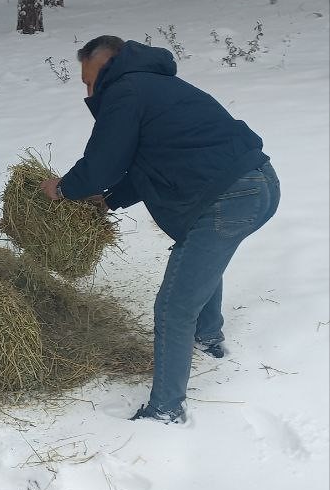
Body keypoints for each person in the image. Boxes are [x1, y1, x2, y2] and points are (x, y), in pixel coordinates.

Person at [40, 37, 280, 423]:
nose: (89, 91)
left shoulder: (126, 90)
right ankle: (208, 336)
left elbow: (102, 163)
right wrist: (110, 200)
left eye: (90, 80)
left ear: (109, 65)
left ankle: (166, 409)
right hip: (258, 184)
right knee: (197, 249)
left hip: (231, 196)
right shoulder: (157, 87)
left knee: (172, 306)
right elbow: (149, 159)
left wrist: (63, 188)